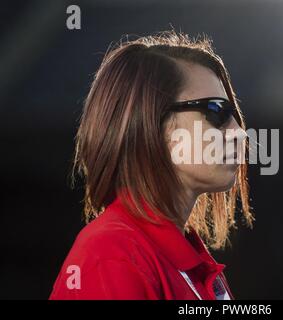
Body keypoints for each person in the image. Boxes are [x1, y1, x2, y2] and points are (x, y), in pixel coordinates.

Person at [49, 31, 253, 300]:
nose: (240, 133)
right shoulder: (112, 256)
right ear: (152, 122)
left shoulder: (191, 265)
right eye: (217, 111)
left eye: (234, 116)